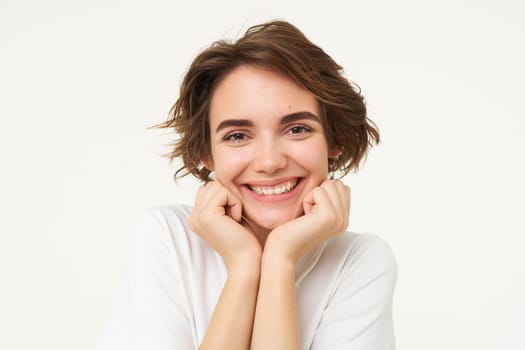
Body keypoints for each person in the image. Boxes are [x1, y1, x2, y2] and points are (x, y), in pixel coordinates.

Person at [96, 20, 397, 350]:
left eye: (297, 129)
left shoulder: (359, 261)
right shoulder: (169, 239)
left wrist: (280, 258)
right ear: (207, 154)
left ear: (334, 139)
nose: (269, 162)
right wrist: (243, 266)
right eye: (237, 136)